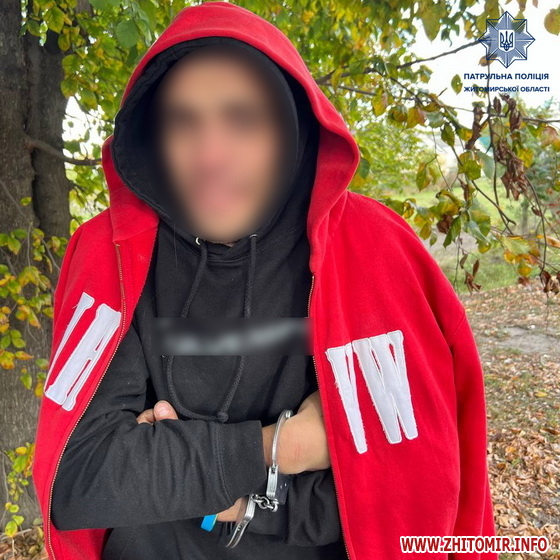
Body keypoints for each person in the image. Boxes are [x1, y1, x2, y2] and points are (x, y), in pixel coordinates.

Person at [32, 3, 498, 560]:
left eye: (243, 120)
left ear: (291, 131)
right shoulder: (111, 254)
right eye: (183, 122)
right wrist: (284, 447)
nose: (209, 156)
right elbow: (78, 477)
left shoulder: (372, 253)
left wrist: (210, 494)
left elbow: (409, 486)